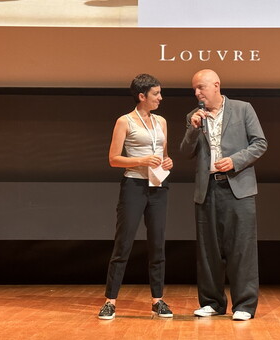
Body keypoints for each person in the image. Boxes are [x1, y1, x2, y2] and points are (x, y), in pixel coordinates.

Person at [180, 69, 267, 321]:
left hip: (237, 188)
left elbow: (259, 143)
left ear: (216, 85)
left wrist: (235, 160)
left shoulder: (243, 109)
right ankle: (212, 302)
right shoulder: (194, 116)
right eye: (194, 89)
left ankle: (245, 305)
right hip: (207, 189)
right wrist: (193, 128)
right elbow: (186, 151)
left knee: (242, 248)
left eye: (201, 87)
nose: (197, 93)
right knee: (209, 250)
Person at [98, 74, 174, 320]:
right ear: (142, 96)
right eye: (156, 94)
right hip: (134, 185)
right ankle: (110, 301)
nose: (160, 98)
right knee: (124, 243)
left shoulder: (161, 121)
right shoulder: (125, 121)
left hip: (158, 186)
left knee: (157, 244)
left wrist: (167, 161)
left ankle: (158, 300)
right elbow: (113, 159)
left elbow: (163, 154)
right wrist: (141, 160)